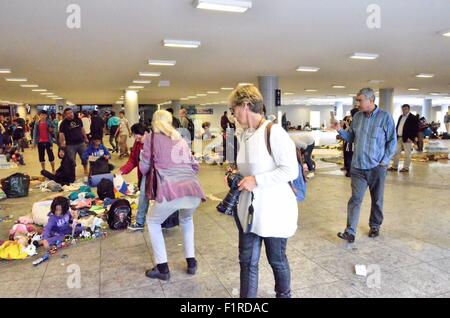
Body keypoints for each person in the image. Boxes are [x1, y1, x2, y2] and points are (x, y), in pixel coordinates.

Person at [228, 84, 299, 298]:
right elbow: (250, 168)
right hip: (249, 210)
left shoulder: (274, 132)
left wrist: (256, 180)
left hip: (274, 210)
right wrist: (236, 175)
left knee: (276, 259)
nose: (232, 114)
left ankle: (283, 295)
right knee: (247, 261)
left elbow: (290, 170)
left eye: (233, 108)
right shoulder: (246, 134)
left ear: (246, 105)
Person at [139, 110, 205, 281]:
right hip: (193, 189)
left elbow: (144, 168)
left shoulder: (150, 138)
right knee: (186, 220)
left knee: (153, 222)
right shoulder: (180, 138)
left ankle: (162, 268)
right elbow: (194, 165)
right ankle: (191, 262)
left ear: (154, 122)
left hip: (170, 190)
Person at [332, 88, 396, 243]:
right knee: (355, 199)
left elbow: (392, 141)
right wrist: (339, 129)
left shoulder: (385, 117)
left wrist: (384, 161)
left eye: (360, 100)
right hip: (358, 167)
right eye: (357, 100)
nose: (357, 103)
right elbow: (351, 138)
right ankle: (350, 231)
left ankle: (375, 225)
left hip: (376, 167)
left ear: (371, 100)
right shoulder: (358, 117)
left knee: (377, 199)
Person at [117, 123, 148, 230]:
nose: (136, 138)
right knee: (144, 195)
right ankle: (140, 222)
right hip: (145, 174)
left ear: (145, 133)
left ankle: (166, 221)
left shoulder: (155, 141)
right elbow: (133, 160)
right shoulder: (138, 143)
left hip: (157, 174)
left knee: (161, 198)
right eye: (135, 136)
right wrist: (122, 170)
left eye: (137, 136)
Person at [59, 108, 89, 177]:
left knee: (84, 157)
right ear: (65, 115)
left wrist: (86, 138)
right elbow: (61, 134)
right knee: (72, 160)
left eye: (71, 112)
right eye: (68, 113)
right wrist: (62, 145)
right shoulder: (63, 123)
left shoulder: (78, 119)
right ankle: (73, 173)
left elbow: (82, 129)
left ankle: (85, 170)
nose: (70, 114)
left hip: (81, 143)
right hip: (70, 145)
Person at [389, 104, 419, 173]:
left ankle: (406, 168)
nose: (404, 110)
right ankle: (394, 166)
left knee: (407, 154)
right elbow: (398, 126)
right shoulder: (400, 116)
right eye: (403, 109)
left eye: (405, 109)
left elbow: (415, 129)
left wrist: (411, 138)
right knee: (396, 152)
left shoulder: (413, 117)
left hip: (407, 139)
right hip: (399, 137)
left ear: (409, 109)